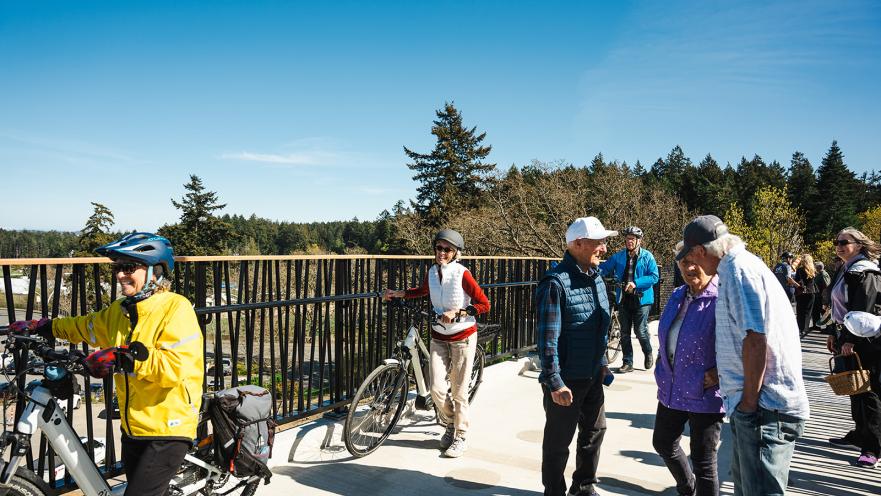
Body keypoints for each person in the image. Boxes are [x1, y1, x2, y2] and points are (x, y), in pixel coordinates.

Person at [9, 232, 203, 496]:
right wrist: (44, 326)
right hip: (134, 426)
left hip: (168, 427)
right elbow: (86, 326)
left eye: (128, 267)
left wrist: (123, 358)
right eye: (117, 268)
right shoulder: (121, 310)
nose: (120, 275)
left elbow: (176, 367)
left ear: (155, 271)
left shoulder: (176, 308)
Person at [675, 215, 809, 495]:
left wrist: (748, 403)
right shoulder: (740, 265)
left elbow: (755, 340)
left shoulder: (737, 270)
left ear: (700, 251)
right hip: (761, 408)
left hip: (764, 409)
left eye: (694, 257)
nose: (695, 265)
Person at [383, 229, 490, 458]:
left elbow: (484, 304)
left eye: (447, 249)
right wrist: (398, 293)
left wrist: (459, 312)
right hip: (438, 337)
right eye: (439, 248)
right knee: (437, 389)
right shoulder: (432, 271)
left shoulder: (463, 274)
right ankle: (451, 423)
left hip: (462, 337)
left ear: (455, 253)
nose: (441, 252)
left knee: (460, 392)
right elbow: (422, 291)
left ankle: (460, 435)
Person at [535, 216, 615, 496]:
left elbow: (599, 329)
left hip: (592, 374)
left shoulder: (597, 278)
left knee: (595, 432)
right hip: (567, 380)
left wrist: (603, 363)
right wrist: (555, 382)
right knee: (558, 443)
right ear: (578, 244)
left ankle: (583, 486)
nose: (604, 248)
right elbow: (547, 340)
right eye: (599, 242)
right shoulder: (556, 283)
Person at [653, 241, 724, 496]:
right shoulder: (677, 295)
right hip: (673, 385)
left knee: (704, 462)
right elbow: (666, 333)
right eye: (684, 262)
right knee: (662, 441)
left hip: (705, 392)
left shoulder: (721, 298)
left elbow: (739, 345)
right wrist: (662, 365)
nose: (690, 267)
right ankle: (687, 487)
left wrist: (718, 375)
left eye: (696, 262)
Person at [826, 227, 881, 468]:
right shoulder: (846, 268)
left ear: (858, 245)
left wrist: (850, 339)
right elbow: (837, 306)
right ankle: (860, 435)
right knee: (854, 386)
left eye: (843, 242)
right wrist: (833, 332)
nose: (838, 246)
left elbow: (863, 310)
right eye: (836, 242)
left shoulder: (865, 270)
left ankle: (873, 447)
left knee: (869, 392)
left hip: (865, 340)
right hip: (846, 334)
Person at [599, 226, 660, 373]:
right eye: (627, 239)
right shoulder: (619, 257)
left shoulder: (647, 256)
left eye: (632, 239)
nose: (629, 241)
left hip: (642, 299)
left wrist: (636, 283)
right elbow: (605, 268)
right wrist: (588, 270)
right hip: (624, 298)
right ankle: (627, 362)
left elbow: (654, 276)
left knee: (640, 331)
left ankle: (648, 351)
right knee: (625, 332)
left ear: (639, 240)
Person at [794, 254, 817, 338]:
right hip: (811, 293)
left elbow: (798, 282)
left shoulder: (800, 270)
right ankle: (805, 329)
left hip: (802, 293)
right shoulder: (813, 270)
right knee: (808, 312)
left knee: (800, 312)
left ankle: (800, 329)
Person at [812, 261, 831, 332]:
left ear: (818, 267)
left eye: (815, 267)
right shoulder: (819, 274)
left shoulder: (823, 274)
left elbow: (827, 286)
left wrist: (825, 298)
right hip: (817, 296)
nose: (814, 268)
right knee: (816, 311)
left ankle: (828, 328)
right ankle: (816, 326)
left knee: (824, 312)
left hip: (822, 297)